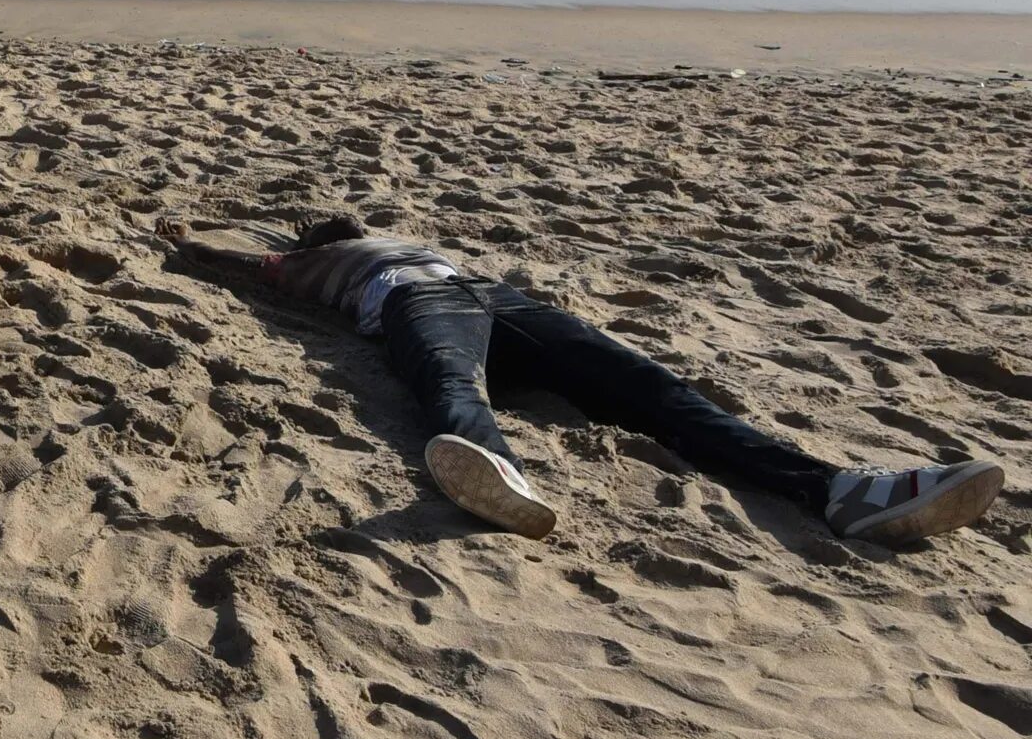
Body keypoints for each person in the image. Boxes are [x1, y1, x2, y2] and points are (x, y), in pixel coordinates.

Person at [160, 213, 1006, 543]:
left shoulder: (392, 237)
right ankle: (494, 472)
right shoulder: (327, 264)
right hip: (422, 304)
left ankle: (841, 491)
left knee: (653, 388)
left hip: (492, 297)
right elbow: (253, 262)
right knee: (452, 384)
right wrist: (190, 243)